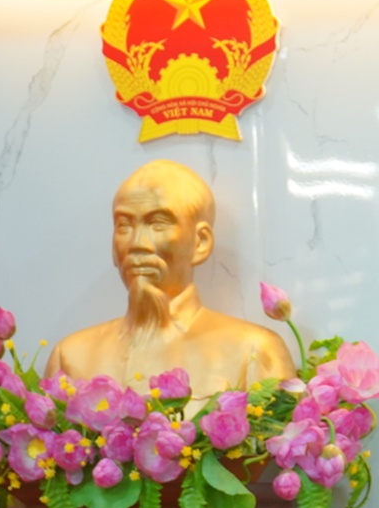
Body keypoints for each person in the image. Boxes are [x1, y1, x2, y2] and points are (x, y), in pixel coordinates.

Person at [46, 160, 295, 399]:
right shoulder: (70, 357)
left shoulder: (254, 351)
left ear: (200, 242)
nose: (137, 244)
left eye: (158, 224)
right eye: (124, 225)